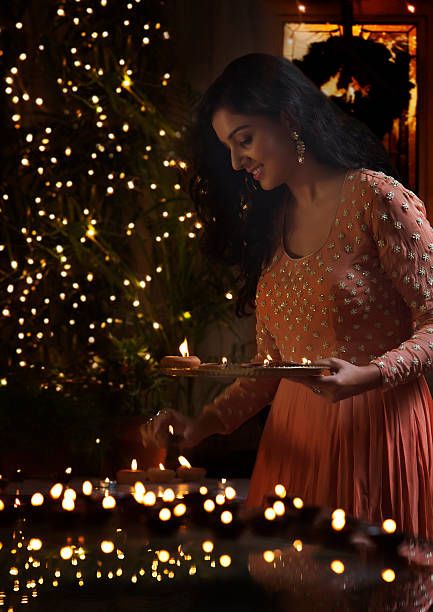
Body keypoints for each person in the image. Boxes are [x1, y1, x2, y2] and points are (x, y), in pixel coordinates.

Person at [142, 53, 433, 539]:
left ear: (288, 117)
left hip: (377, 435)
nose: (237, 162)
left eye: (245, 140)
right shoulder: (272, 225)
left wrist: (371, 375)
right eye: (229, 149)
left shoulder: (376, 199)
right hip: (292, 443)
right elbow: (272, 365)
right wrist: (203, 424)